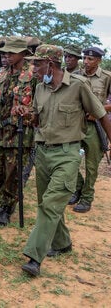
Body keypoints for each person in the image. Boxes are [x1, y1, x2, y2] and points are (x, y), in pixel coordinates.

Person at [21, 44, 111, 277]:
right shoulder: (40, 88)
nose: (33, 68)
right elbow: (37, 120)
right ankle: (62, 243)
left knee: (50, 204)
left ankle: (34, 256)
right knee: (48, 204)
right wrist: (27, 116)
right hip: (42, 153)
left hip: (67, 155)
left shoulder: (79, 86)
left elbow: (102, 115)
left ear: (50, 64)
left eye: (37, 64)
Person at [0, 37, 37, 226]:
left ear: (23, 54)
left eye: (11, 52)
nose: (6, 55)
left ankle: (6, 209)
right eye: (5, 52)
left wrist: (30, 114)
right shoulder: (0, 73)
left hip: (20, 133)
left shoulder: (33, 75)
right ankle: (10, 197)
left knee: (13, 174)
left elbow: (40, 105)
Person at [68, 47, 111, 213]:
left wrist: (99, 110)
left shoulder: (106, 77)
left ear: (99, 60)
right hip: (76, 124)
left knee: (91, 167)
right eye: (84, 58)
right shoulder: (76, 75)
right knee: (70, 159)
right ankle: (77, 187)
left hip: (97, 126)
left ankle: (87, 198)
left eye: (90, 59)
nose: (86, 62)